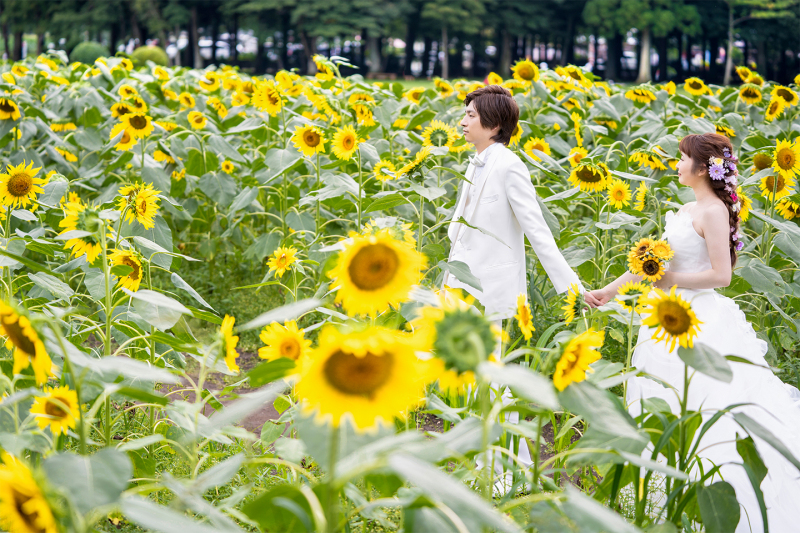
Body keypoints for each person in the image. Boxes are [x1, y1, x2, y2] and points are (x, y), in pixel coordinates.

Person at [585, 133, 800, 532]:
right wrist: (610, 291)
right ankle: (661, 498)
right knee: (661, 399)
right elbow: (653, 263)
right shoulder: (688, 207)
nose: (677, 165)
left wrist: (672, 280)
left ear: (703, 169)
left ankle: (717, 504)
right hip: (668, 313)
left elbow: (722, 275)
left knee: (705, 404)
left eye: (682, 159)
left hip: (700, 319)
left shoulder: (714, 212)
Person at [444, 85, 581, 478]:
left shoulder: (508, 165)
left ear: (495, 124)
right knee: (472, 373)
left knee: (488, 373)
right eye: (466, 114)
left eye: (471, 115)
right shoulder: (476, 161)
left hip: (492, 287)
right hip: (461, 280)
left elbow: (538, 231)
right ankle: (494, 461)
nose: (463, 121)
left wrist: (571, 288)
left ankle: (507, 468)